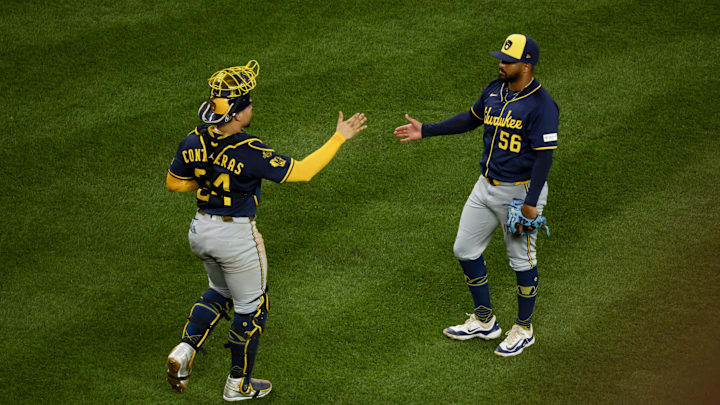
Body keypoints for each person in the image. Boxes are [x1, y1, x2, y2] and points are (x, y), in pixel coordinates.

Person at [165, 60, 367, 401]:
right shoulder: (250, 150)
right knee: (252, 308)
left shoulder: (192, 140)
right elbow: (302, 172)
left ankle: (185, 350)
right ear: (238, 114)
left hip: (200, 231)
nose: (252, 107)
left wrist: (210, 182)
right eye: (248, 103)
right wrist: (339, 137)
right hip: (235, 238)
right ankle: (237, 385)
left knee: (219, 290)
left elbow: (174, 183)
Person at [394, 34, 558, 357]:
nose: (501, 64)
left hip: (520, 193)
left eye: (507, 61)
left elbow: (544, 158)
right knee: (464, 249)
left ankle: (524, 328)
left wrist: (529, 203)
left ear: (526, 65)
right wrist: (426, 129)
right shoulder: (494, 90)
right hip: (485, 186)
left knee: (522, 260)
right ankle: (485, 321)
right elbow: (471, 119)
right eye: (500, 58)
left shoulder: (542, 105)